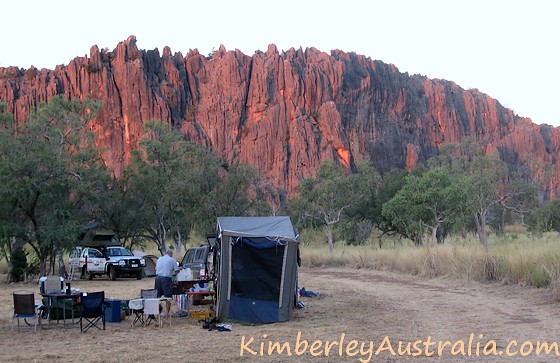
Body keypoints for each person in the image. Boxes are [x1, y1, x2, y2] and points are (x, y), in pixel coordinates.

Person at [155, 249, 180, 317]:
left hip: (157, 278)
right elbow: (177, 271)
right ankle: (167, 314)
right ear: (171, 254)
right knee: (168, 297)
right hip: (166, 279)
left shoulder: (159, 259)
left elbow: (156, 269)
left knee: (157, 296)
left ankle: (157, 312)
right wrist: (174, 274)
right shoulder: (172, 260)